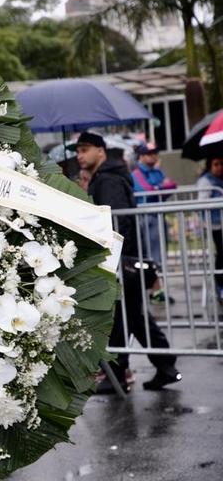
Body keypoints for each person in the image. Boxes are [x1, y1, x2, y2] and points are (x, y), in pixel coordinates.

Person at [74, 132, 181, 393]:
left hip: (122, 262)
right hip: (123, 261)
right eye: (78, 151)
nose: (80, 156)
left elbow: (119, 223)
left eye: (85, 149)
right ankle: (164, 366)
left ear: (101, 151)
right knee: (132, 316)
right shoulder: (105, 177)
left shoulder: (108, 179)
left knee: (124, 316)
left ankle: (120, 374)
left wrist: (118, 259)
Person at [131, 144, 176, 304]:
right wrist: (160, 187)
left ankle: (157, 292)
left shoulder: (158, 171)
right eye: (148, 153)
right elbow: (146, 191)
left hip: (158, 217)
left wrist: (158, 188)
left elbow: (172, 186)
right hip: (146, 219)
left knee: (159, 257)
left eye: (154, 153)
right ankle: (154, 293)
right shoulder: (136, 173)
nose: (152, 156)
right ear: (141, 156)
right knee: (151, 258)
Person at [196, 157, 223, 299]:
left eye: (221, 164)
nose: (219, 167)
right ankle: (220, 286)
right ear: (210, 166)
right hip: (216, 224)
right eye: (216, 164)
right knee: (221, 253)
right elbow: (202, 203)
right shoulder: (206, 181)